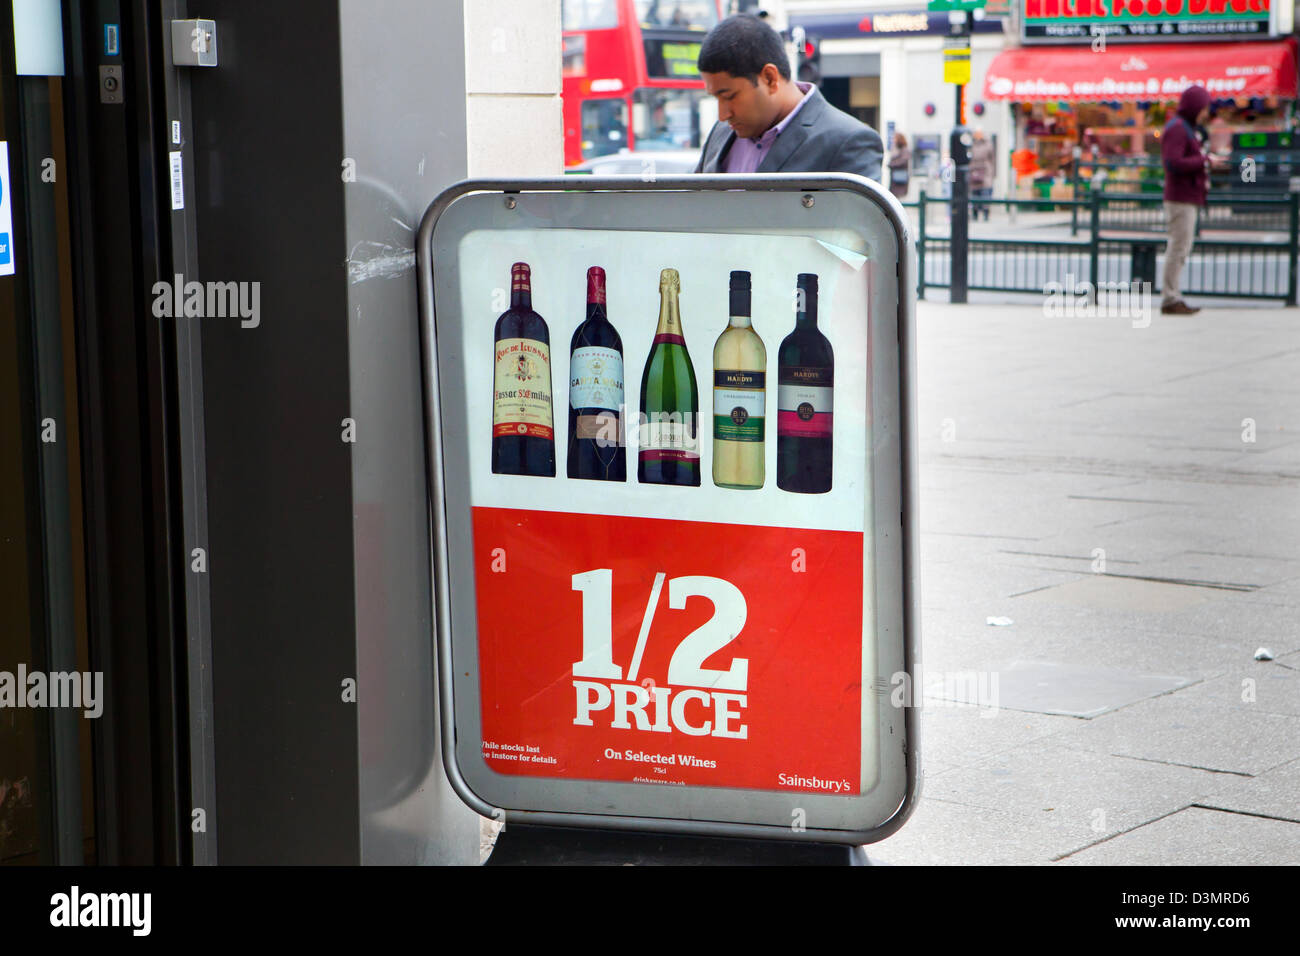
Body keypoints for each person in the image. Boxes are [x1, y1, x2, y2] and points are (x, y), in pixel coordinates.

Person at [693, 15, 883, 181]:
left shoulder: (848, 142)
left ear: (769, 78)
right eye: (716, 98)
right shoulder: (721, 132)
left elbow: (856, 222)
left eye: (729, 96)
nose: (722, 115)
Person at [1160, 84, 1226, 315]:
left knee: (1182, 248)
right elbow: (1173, 162)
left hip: (1188, 196)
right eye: (1203, 107)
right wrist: (1204, 161)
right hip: (1180, 197)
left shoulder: (1186, 127)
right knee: (1178, 248)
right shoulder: (1178, 128)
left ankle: (1173, 295)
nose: (1205, 113)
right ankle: (1170, 298)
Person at [969, 129, 995, 221]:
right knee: (974, 194)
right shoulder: (971, 145)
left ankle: (986, 214)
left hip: (985, 172)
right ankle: (975, 213)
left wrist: (992, 173)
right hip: (974, 172)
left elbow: (992, 159)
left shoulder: (988, 145)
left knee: (985, 194)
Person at [887, 132, 911, 200]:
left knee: (899, 198)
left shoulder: (904, 150)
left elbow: (902, 161)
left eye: (895, 138)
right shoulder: (896, 150)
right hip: (895, 179)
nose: (893, 141)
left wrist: (891, 164)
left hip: (899, 179)